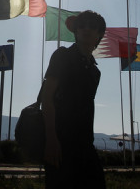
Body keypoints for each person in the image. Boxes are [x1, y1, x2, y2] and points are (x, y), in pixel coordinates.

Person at [42, 10, 107, 189]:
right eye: (82, 25)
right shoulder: (62, 56)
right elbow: (47, 98)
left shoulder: (95, 71)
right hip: (61, 142)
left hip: (85, 144)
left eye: (92, 26)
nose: (86, 29)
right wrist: (51, 138)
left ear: (99, 34)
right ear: (76, 31)